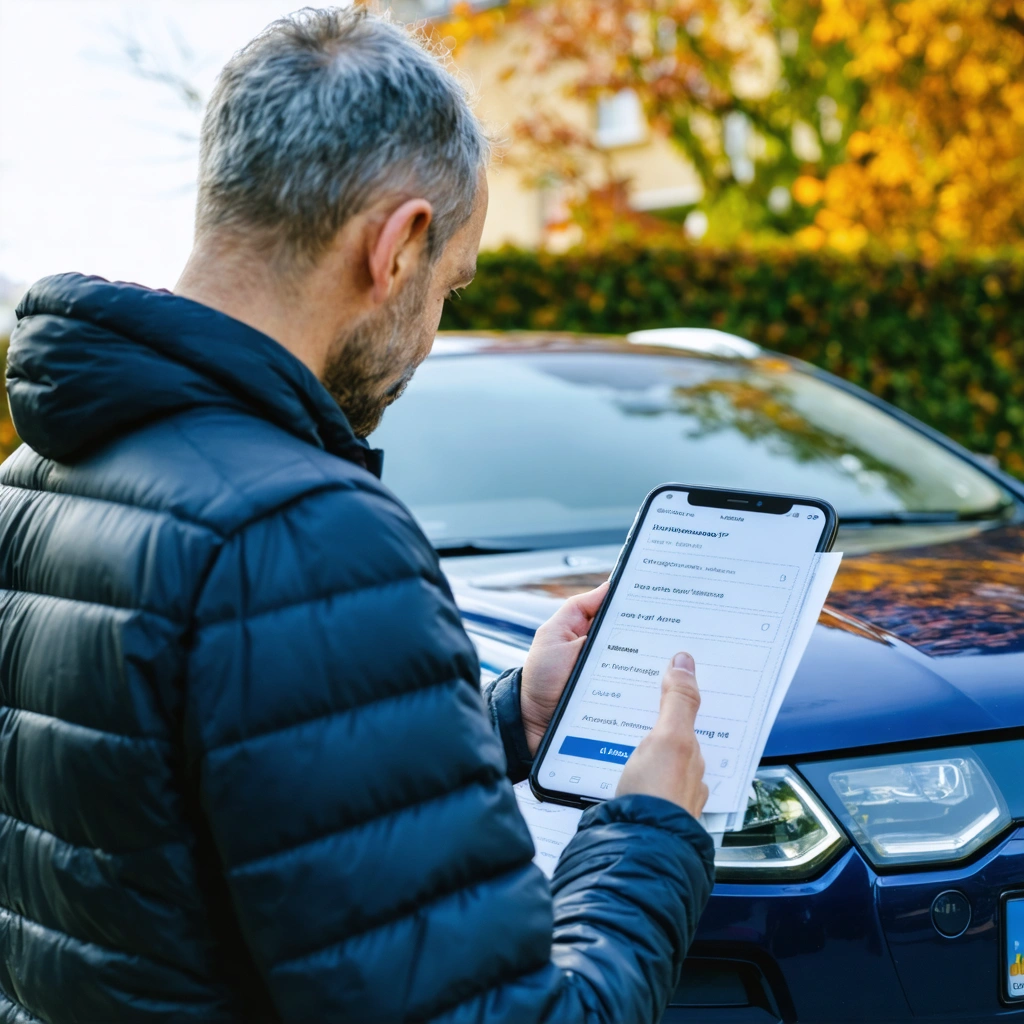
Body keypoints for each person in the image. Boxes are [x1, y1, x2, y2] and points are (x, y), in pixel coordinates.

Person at [0, 8, 713, 1023]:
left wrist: (505, 717)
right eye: (447, 289)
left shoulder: (34, 476)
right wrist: (648, 831)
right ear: (398, 244)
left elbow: (193, 808)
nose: (429, 332)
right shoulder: (307, 534)